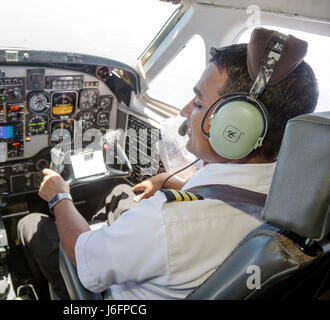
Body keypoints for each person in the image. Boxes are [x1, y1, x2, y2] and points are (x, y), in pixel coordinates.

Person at [17, 28, 318, 299]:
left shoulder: (169, 220)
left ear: (236, 128)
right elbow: (227, 204)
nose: (185, 111)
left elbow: (83, 259)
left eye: (198, 103)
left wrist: (59, 195)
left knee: (32, 224)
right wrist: (166, 181)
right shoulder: (301, 201)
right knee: (120, 192)